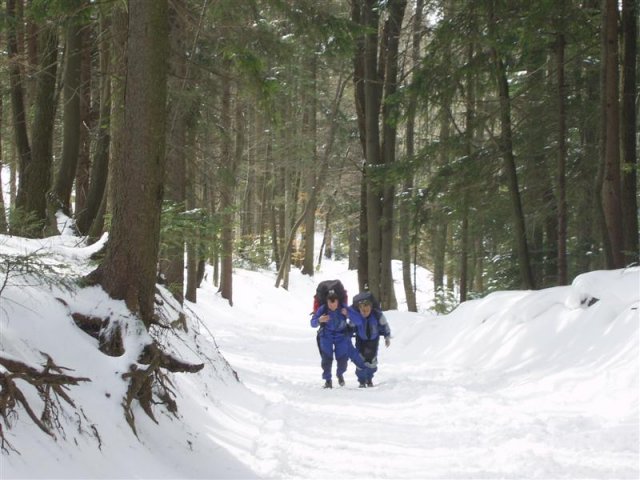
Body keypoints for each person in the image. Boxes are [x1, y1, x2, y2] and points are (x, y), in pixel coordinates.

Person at [310, 288, 370, 388]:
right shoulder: (323, 309)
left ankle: (340, 374)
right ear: (327, 301)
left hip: (341, 336)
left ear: (338, 301)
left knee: (342, 360)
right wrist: (319, 320)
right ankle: (328, 381)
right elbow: (312, 323)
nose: (332, 304)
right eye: (330, 302)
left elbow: (359, 321)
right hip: (326, 336)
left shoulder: (344, 308)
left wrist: (348, 314)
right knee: (326, 359)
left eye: (334, 301)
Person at [347, 291, 391, 387]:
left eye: (367, 310)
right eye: (362, 310)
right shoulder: (356, 317)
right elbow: (350, 328)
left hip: (373, 341)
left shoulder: (377, 315)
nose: (364, 312)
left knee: (372, 362)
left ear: (371, 307)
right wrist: (347, 338)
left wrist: (387, 336)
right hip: (360, 341)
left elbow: (384, 325)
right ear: (359, 309)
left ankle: (369, 378)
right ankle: (362, 380)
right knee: (360, 361)